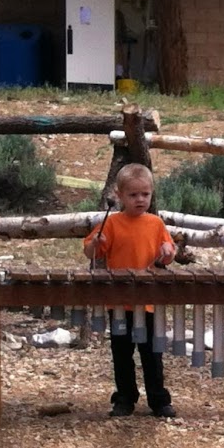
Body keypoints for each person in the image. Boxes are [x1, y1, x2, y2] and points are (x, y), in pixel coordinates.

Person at [82, 163, 179, 419]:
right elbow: (91, 252)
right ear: (119, 195)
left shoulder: (156, 223)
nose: (140, 199)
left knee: (152, 353)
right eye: (133, 195)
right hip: (119, 302)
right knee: (122, 354)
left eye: (145, 194)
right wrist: (95, 244)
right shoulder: (112, 223)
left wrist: (168, 253)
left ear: (152, 193)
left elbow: (168, 254)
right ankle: (124, 399)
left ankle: (159, 400)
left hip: (149, 300)